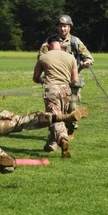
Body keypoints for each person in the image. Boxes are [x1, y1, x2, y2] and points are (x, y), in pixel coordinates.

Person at [38, 14, 94, 147]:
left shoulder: (76, 41)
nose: (63, 29)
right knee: (55, 110)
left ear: (70, 27)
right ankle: (57, 135)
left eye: (65, 26)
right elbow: (41, 56)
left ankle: (70, 129)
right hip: (55, 81)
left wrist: (87, 62)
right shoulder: (50, 41)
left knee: (72, 107)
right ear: (57, 27)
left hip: (72, 81)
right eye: (61, 26)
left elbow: (89, 57)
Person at [33, 36, 81, 158]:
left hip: (52, 90)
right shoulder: (70, 57)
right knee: (61, 117)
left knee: (54, 117)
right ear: (60, 44)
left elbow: (35, 77)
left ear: (49, 46)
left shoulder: (43, 57)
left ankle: (63, 139)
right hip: (66, 90)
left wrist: (42, 80)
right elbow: (75, 79)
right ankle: (50, 145)